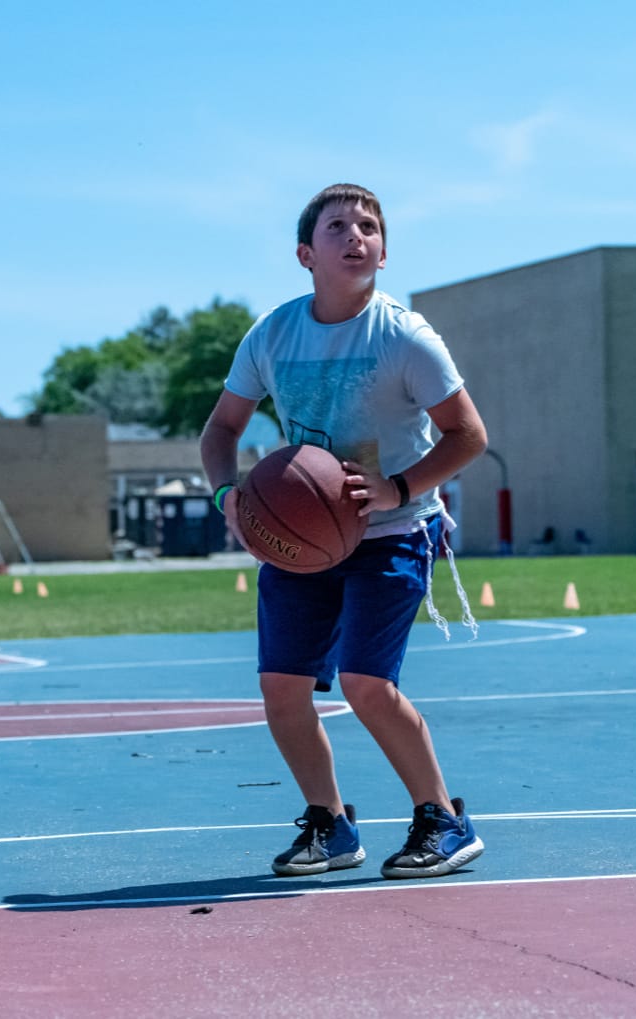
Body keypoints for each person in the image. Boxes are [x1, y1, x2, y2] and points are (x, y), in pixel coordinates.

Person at [200, 183, 488, 880]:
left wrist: (398, 485)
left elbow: (468, 435)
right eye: (338, 225)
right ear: (306, 253)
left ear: (384, 253)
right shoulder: (272, 334)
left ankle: (443, 819)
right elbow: (222, 430)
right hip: (302, 537)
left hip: (391, 530)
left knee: (365, 682)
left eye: (369, 226)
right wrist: (228, 496)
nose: (356, 234)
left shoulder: (404, 335)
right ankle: (329, 823)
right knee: (281, 686)